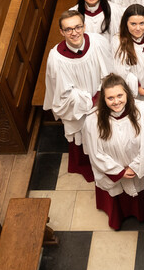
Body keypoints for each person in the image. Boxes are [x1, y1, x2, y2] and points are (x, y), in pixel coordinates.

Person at [43, 10, 123, 182]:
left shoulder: (97, 42)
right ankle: (86, 167)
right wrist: (90, 101)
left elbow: (109, 69)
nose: (74, 32)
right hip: (79, 107)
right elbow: (62, 93)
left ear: (84, 26)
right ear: (62, 32)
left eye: (78, 27)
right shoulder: (56, 58)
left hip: (105, 97)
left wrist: (103, 95)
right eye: (69, 29)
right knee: (82, 136)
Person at [83, 74, 144, 230]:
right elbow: (95, 153)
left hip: (138, 170)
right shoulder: (92, 120)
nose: (116, 101)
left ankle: (142, 214)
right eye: (110, 98)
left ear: (127, 93)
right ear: (103, 99)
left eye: (120, 95)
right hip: (114, 172)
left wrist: (136, 166)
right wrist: (118, 171)